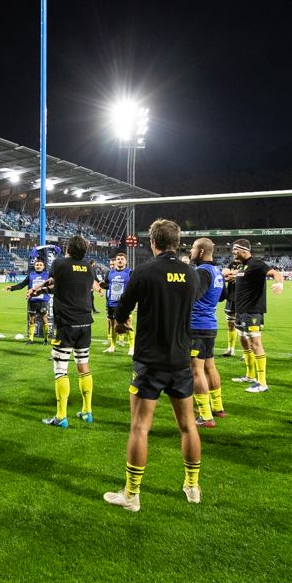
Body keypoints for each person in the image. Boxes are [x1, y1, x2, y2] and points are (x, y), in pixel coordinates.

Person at [104, 219, 206, 512]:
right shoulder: (190, 273)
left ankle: (132, 495)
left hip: (149, 361)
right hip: (180, 360)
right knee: (188, 426)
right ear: (177, 243)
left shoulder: (144, 271)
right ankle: (192, 487)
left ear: (153, 242)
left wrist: (122, 325)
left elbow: (122, 310)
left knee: (139, 427)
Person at [28, 236, 97, 427]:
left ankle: (61, 416)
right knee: (83, 366)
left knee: (60, 369)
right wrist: (40, 291)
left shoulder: (59, 264)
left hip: (66, 324)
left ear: (68, 248)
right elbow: (64, 287)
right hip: (85, 324)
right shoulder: (89, 268)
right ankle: (87, 411)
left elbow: (55, 282)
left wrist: (38, 289)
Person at [226, 239, 284, 393]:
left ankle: (262, 383)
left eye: (235, 249)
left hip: (252, 311)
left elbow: (274, 273)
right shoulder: (243, 266)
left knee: (255, 344)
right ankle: (250, 375)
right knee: (244, 342)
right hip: (241, 310)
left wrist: (279, 283)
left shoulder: (256, 263)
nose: (233, 252)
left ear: (244, 250)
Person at [187, 238, 225, 427]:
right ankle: (217, 407)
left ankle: (205, 415)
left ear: (201, 251)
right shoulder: (217, 271)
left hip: (197, 326)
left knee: (196, 371)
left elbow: (193, 297)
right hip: (210, 324)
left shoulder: (201, 272)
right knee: (210, 367)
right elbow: (223, 296)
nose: (190, 251)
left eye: (193, 248)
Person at [6, 258, 51, 344]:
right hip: (33, 300)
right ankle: (31, 339)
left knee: (44, 319)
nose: (38, 266)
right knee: (32, 319)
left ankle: (46, 339)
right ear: (34, 266)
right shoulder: (31, 275)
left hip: (43, 300)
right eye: (37, 265)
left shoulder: (47, 275)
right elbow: (22, 285)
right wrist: (12, 288)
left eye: (40, 265)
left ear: (43, 266)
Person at [98, 253, 134, 354]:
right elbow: (107, 284)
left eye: (122, 259)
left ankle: (132, 348)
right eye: (118, 259)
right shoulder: (110, 273)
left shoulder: (130, 272)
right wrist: (100, 286)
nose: (120, 260)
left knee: (128, 324)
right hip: (112, 302)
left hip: (124, 303)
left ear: (125, 261)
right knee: (113, 324)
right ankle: (112, 346)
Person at [219, 256, 242, 358]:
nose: (234, 254)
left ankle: (247, 353)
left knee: (243, 326)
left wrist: (237, 274)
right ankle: (230, 349)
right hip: (231, 296)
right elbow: (223, 274)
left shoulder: (248, 264)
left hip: (242, 297)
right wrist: (236, 274)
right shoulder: (232, 264)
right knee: (230, 324)